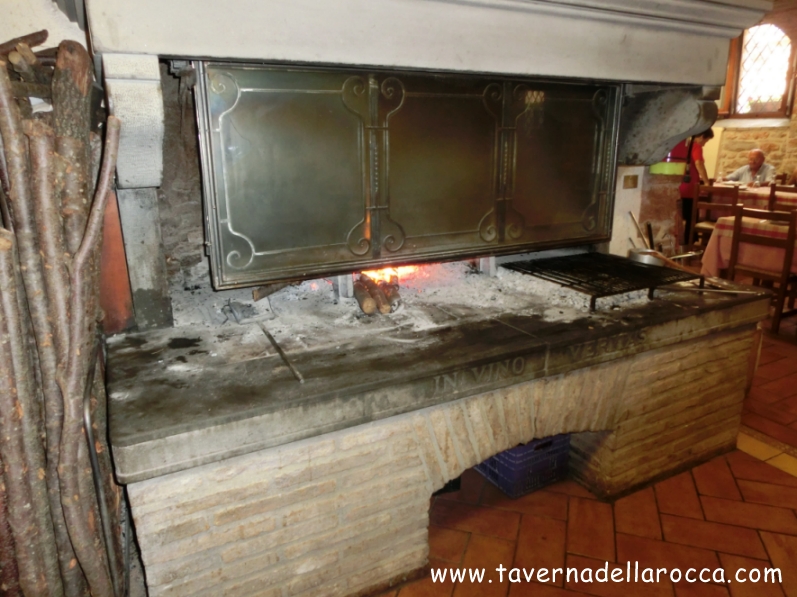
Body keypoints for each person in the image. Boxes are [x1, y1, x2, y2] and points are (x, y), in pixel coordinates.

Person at [673, 129, 713, 245]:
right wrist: (706, 182)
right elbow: (698, 163)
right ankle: (688, 242)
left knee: (682, 215)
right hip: (690, 187)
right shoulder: (696, 146)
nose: (704, 144)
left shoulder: (685, 145)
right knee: (692, 216)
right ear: (701, 136)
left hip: (681, 185)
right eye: (705, 141)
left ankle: (683, 241)